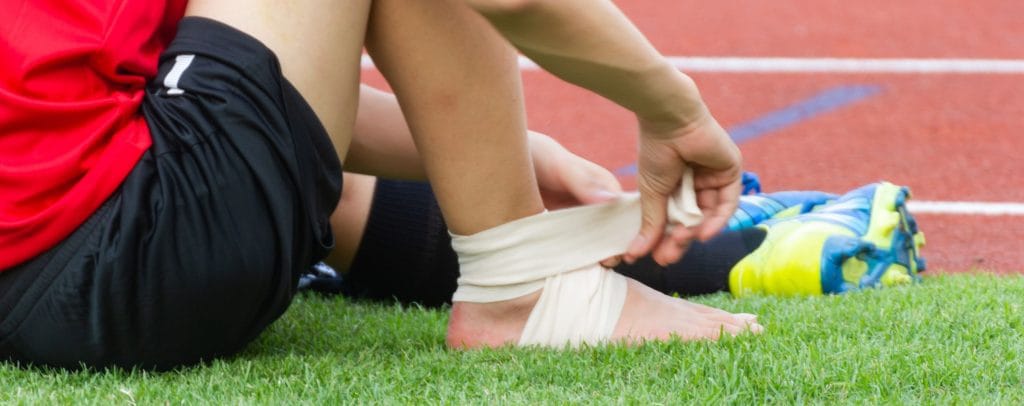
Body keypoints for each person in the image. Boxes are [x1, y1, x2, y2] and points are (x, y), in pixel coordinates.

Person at [1, 0, 764, 370]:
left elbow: (233, 82)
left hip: (24, 276)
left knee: (340, 199)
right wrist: (674, 107)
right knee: (266, 192)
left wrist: (506, 151)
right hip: (124, 260)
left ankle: (738, 247)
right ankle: (521, 292)